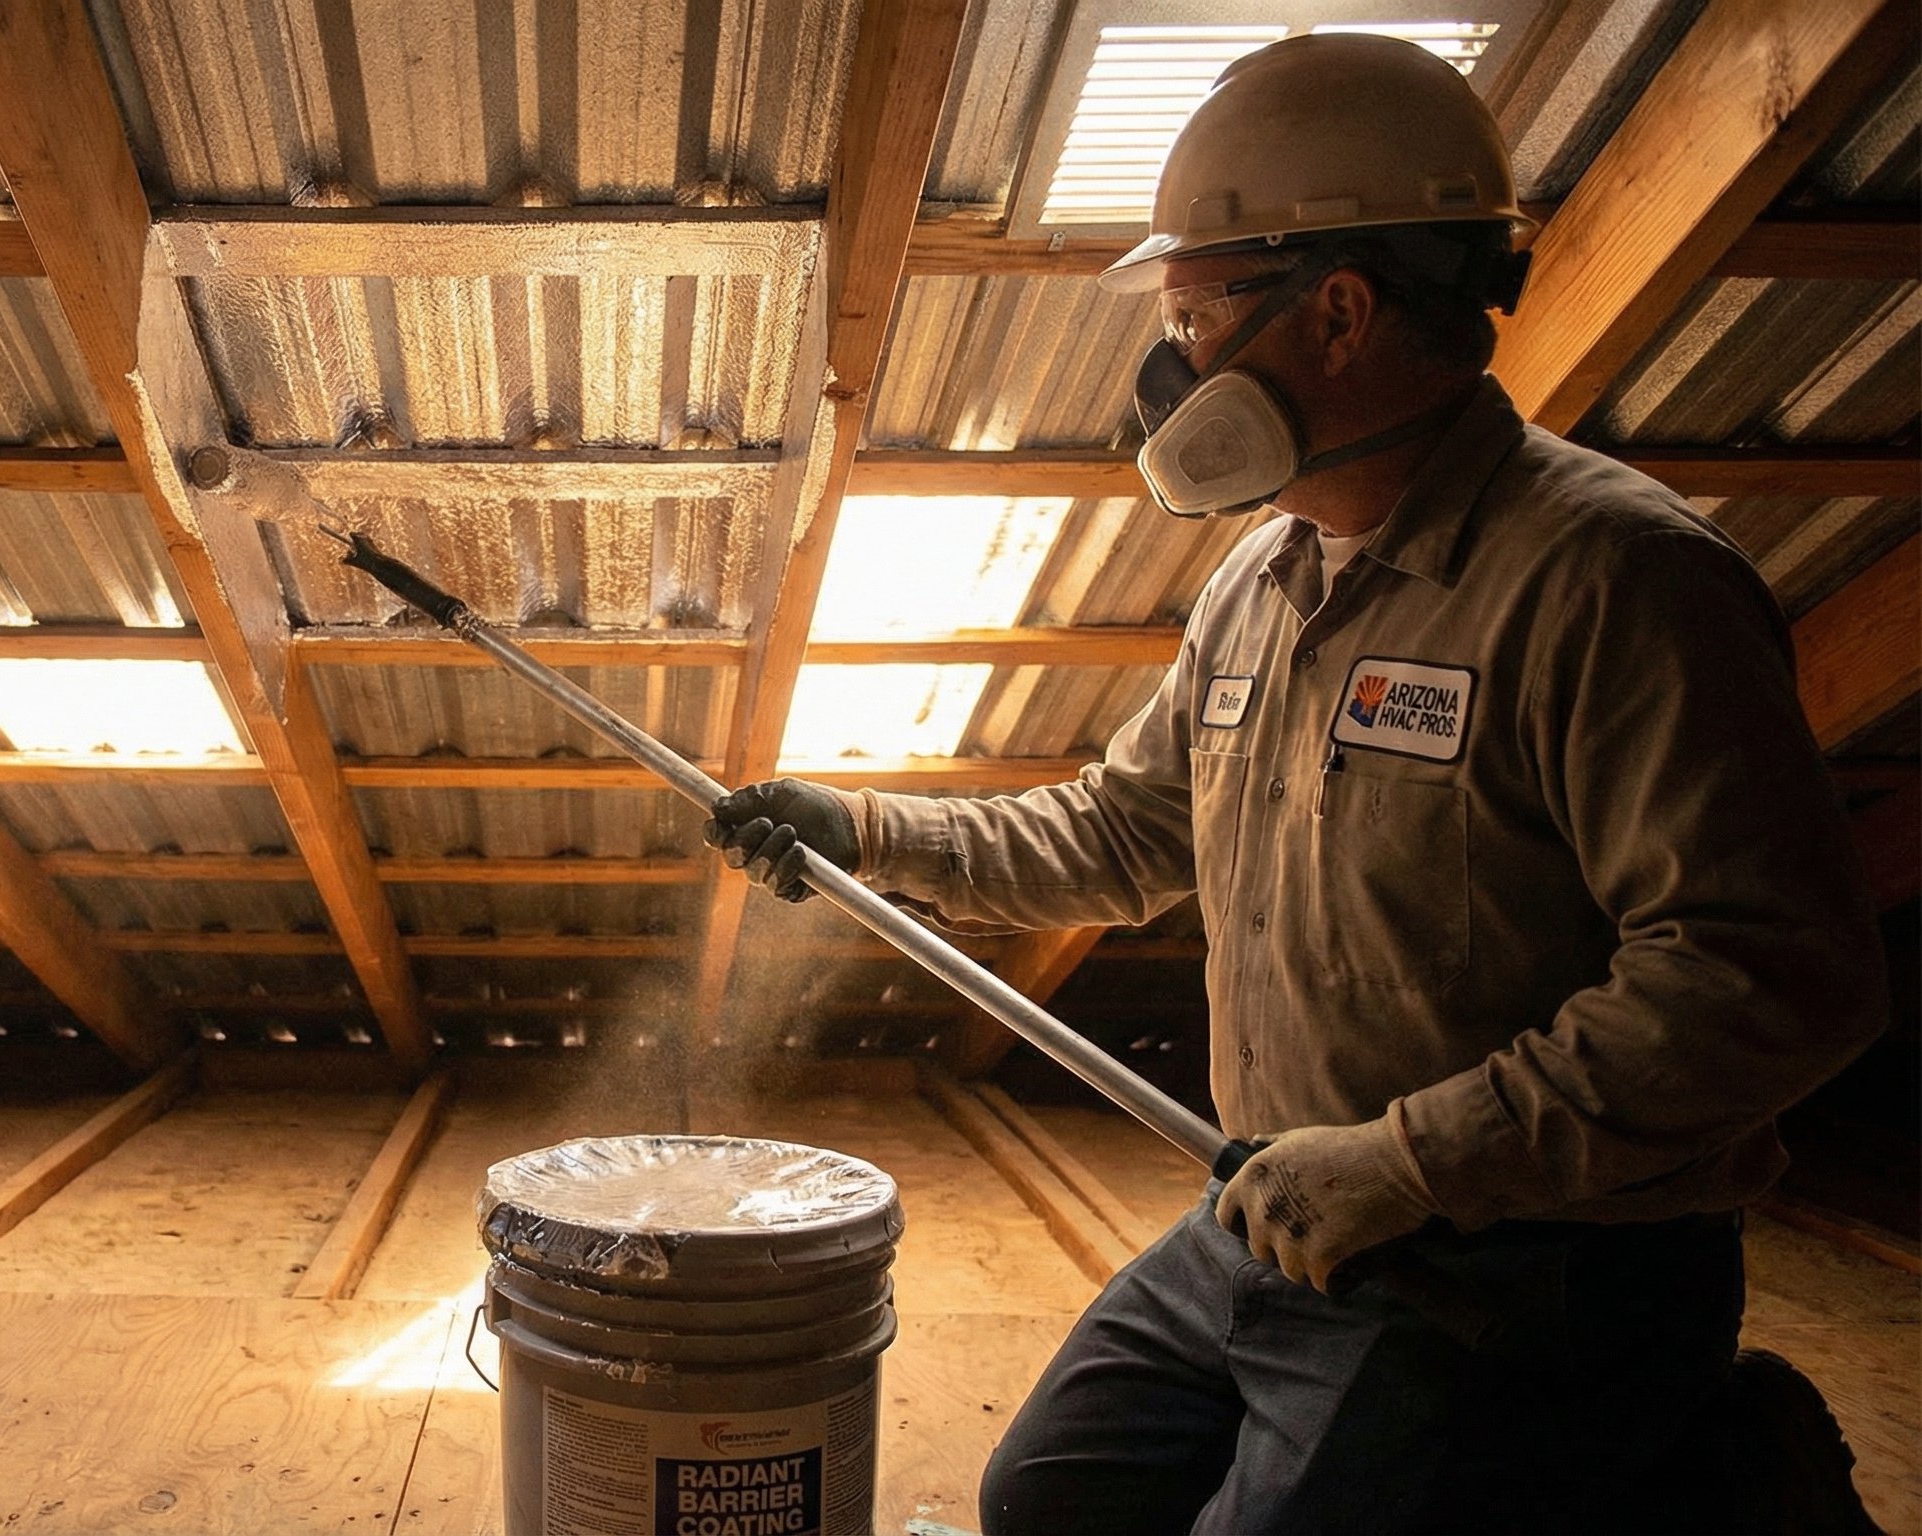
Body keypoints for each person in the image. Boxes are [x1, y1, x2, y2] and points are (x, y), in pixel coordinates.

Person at [705, 33, 1889, 1535]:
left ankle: (1686, 1467)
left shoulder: (1613, 581)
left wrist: (1402, 1167)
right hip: (1272, 1213)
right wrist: (867, 829)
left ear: (1339, 311)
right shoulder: (1264, 579)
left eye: (1197, 317)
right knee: (1049, 1502)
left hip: (1530, 1274)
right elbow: (1126, 831)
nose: (1173, 371)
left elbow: (1773, 975)